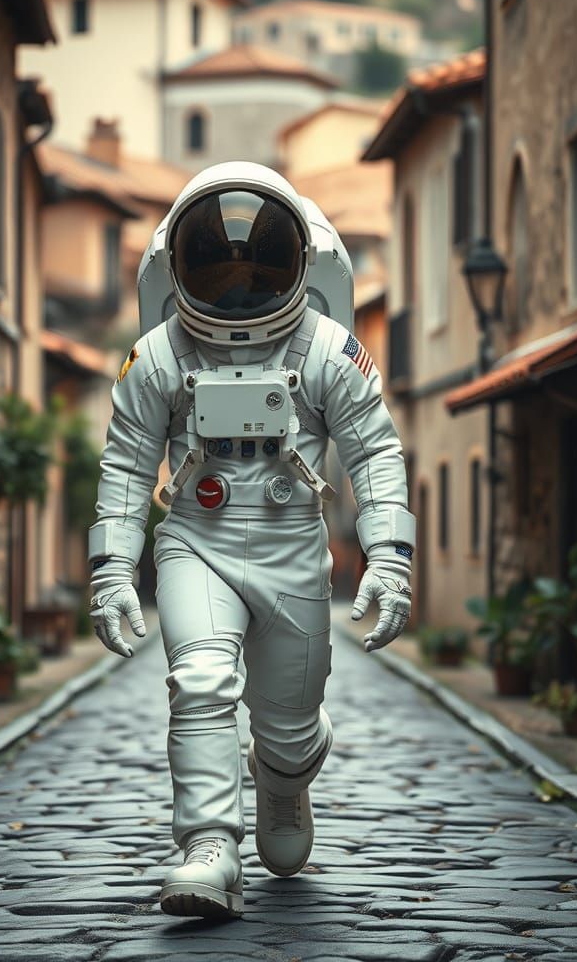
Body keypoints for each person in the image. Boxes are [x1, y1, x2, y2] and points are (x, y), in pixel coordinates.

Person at [87, 162, 414, 920]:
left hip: (292, 544)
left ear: (299, 260)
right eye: (218, 261)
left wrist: (389, 561)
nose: (239, 282)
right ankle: (207, 847)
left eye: (257, 262)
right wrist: (110, 570)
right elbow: (129, 462)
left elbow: (375, 451)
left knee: (290, 729)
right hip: (195, 540)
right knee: (199, 682)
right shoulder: (160, 356)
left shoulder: (328, 349)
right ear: (181, 266)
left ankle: (286, 775)